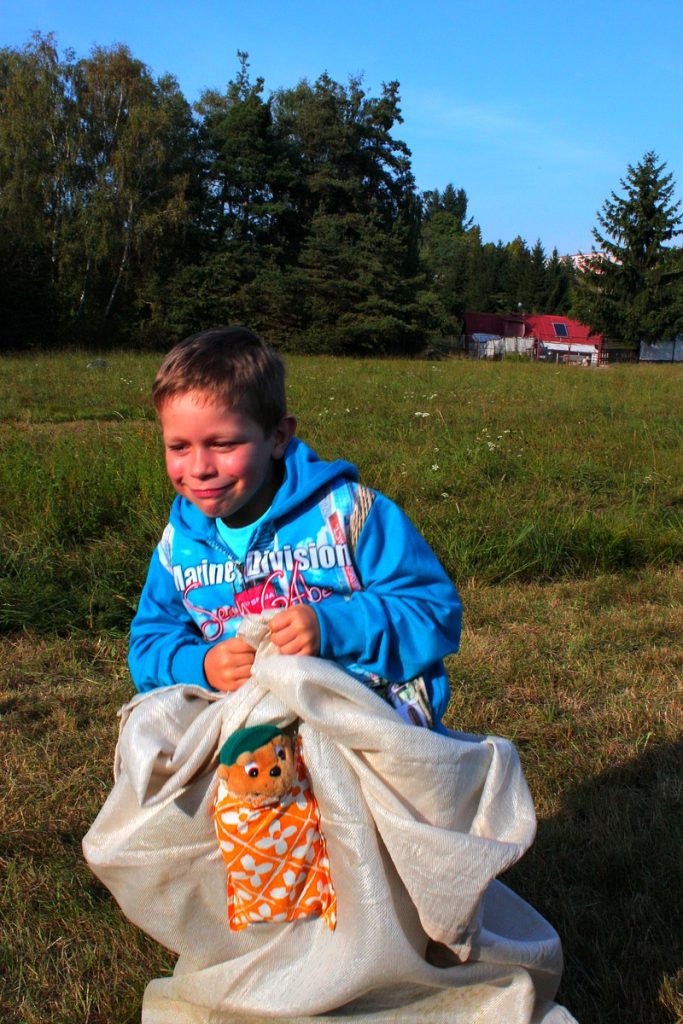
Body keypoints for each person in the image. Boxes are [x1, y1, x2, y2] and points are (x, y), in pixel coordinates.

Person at [128, 326, 462, 730]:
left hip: (367, 717)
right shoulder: (180, 545)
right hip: (248, 731)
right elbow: (149, 643)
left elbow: (435, 613)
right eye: (179, 447)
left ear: (278, 437)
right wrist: (201, 665)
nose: (199, 468)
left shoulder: (351, 515)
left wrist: (332, 626)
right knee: (146, 739)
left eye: (224, 444)